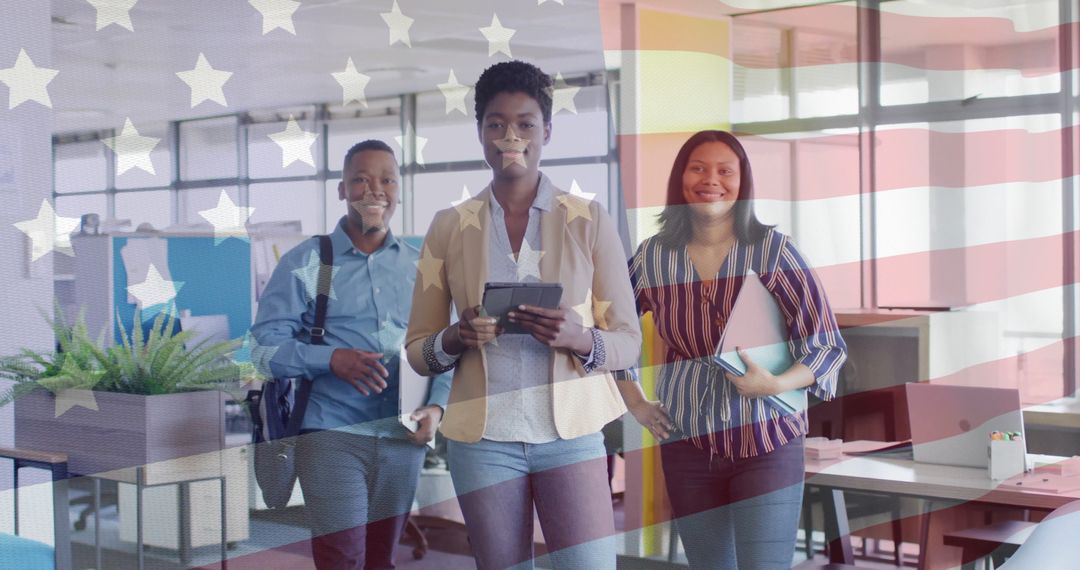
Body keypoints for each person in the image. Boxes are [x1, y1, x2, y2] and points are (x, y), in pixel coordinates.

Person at [404, 60, 641, 569]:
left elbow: (629, 340)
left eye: (526, 123)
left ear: (547, 131)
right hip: (482, 443)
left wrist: (580, 338)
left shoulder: (589, 220)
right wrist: (455, 336)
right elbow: (418, 353)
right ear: (481, 133)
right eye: (496, 123)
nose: (511, 135)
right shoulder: (448, 227)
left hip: (572, 437)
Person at [616, 130, 848, 569]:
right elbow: (613, 333)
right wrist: (635, 402)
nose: (712, 180)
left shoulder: (773, 250)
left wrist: (775, 383)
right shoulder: (652, 257)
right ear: (680, 178)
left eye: (726, 171)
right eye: (699, 168)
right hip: (687, 441)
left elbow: (825, 343)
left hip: (767, 438)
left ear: (743, 183)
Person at [250, 139, 451, 570]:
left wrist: (437, 407)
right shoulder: (309, 263)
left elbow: (445, 351)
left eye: (385, 180)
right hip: (331, 437)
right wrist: (330, 359)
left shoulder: (420, 268)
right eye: (359, 179)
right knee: (343, 560)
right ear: (341, 189)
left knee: (380, 560)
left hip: (403, 440)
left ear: (399, 190)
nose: (373, 190)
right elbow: (263, 351)